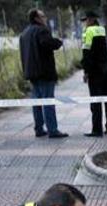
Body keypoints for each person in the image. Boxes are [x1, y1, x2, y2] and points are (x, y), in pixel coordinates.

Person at [19, 9, 68, 139]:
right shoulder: (42, 30)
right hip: (44, 73)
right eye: (43, 16)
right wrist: (58, 42)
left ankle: (39, 128)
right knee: (48, 102)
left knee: (37, 102)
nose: (45, 18)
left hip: (32, 73)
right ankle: (52, 130)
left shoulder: (24, 34)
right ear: (36, 18)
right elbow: (47, 43)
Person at [80, 10, 107, 137]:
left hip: (95, 71)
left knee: (95, 101)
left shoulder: (88, 32)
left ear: (90, 20)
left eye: (85, 20)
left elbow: (87, 53)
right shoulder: (103, 30)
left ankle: (97, 129)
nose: (84, 23)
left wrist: (86, 71)